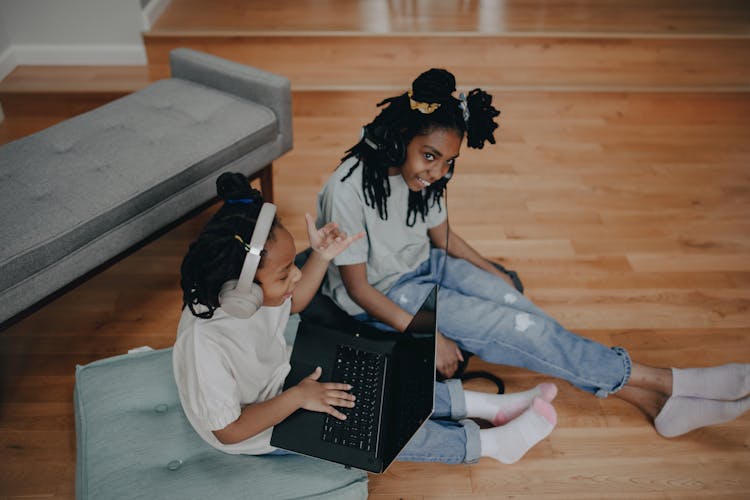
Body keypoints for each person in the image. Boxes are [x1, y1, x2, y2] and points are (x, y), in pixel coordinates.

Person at [315, 68, 750, 439]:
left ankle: (656, 405)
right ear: (400, 138)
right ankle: (666, 381)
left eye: (449, 162)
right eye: (430, 157)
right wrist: (433, 336)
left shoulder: (426, 175)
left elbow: (441, 234)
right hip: (387, 292)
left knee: (522, 310)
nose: (438, 172)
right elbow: (359, 289)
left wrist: (491, 271)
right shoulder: (349, 189)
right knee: (523, 332)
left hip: (427, 265)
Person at [172, 171, 562, 466]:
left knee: (380, 375)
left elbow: (294, 302)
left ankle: (488, 407)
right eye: (284, 273)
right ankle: (491, 446)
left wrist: (321, 255)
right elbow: (228, 431)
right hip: (259, 425)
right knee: (378, 428)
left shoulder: (249, 295)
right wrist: (299, 397)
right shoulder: (206, 344)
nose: (295, 276)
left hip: (282, 380)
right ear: (241, 289)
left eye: (295, 266)